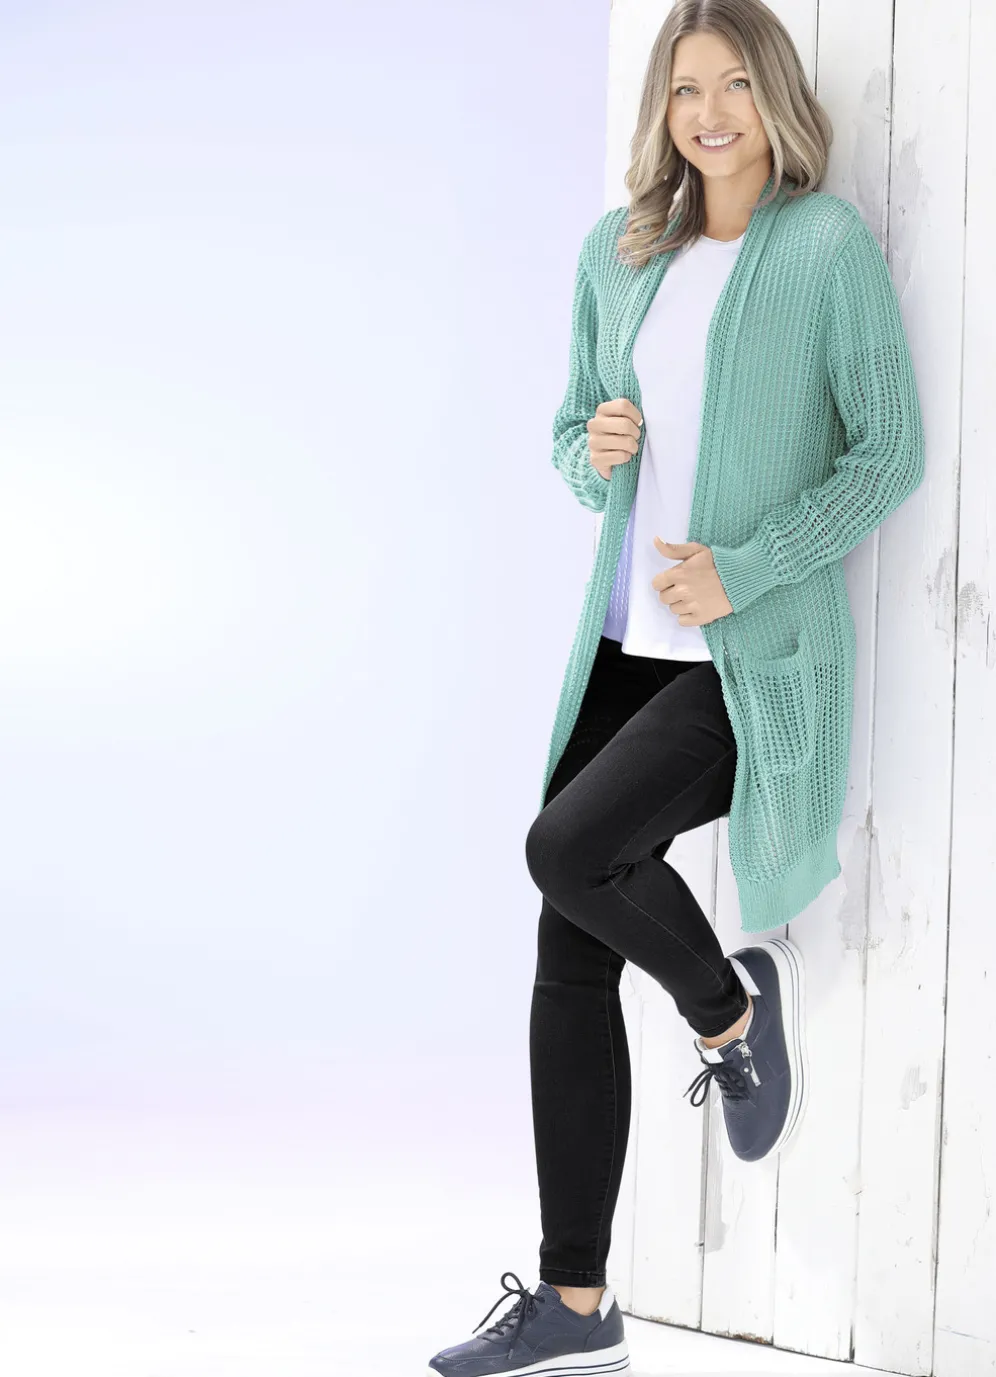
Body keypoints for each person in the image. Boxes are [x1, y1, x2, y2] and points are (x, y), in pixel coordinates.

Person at [427, 1, 924, 1373]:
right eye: (686, 88)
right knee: (566, 954)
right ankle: (578, 1308)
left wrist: (747, 570)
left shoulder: (822, 249)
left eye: (736, 86)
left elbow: (889, 450)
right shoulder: (624, 249)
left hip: (745, 657)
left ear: (777, 101)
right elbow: (571, 440)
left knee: (565, 849)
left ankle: (727, 1014)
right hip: (624, 642)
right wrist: (594, 446)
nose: (709, 115)